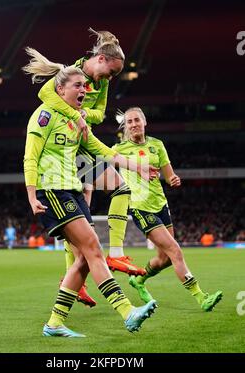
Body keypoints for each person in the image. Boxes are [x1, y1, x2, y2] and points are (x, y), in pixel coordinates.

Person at [22, 54, 158, 337]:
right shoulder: (44, 116)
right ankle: (127, 311)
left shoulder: (76, 123)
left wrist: (138, 167)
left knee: (83, 260)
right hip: (53, 191)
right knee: (94, 248)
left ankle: (55, 324)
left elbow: (102, 150)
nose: (84, 90)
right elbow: (30, 158)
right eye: (77, 86)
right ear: (61, 90)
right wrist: (32, 195)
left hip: (72, 190)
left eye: (85, 86)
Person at [37, 28, 146, 283]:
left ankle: (115, 254)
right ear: (101, 59)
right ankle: (75, 278)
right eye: (111, 72)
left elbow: (100, 113)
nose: (110, 77)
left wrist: (86, 115)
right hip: (63, 150)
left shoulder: (102, 82)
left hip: (84, 146)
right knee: (78, 214)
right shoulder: (72, 74)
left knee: (118, 191)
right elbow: (44, 95)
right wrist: (75, 115)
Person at [113, 107, 223, 312]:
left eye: (137, 120)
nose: (134, 124)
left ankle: (138, 280)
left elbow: (169, 175)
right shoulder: (119, 150)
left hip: (161, 205)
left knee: (164, 259)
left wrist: (173, 179)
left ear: (144, 122)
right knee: (175, 251)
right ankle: (201, 297)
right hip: (140, 208)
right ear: (125, 127)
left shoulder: (157, 145)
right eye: (129, 122)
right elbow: (102, 161)